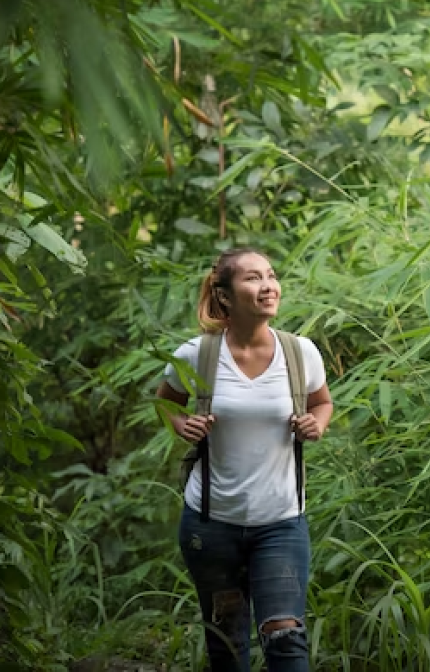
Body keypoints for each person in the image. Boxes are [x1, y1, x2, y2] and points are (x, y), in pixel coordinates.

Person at [157, 247, 333, 672]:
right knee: (228, 647)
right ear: (225, 297)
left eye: (270, 275)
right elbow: (166, 404)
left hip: (281, 522)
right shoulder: (196, 355)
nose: (268, 285)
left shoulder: (300, 352)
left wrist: (316, 424)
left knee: (286, 639)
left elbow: (323, 403)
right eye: (252, 278)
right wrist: (182, 426)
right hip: (211, 524)